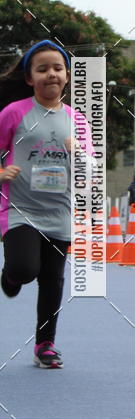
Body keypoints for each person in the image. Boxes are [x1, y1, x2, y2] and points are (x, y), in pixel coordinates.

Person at [0, 40, 93, 368]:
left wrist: (77, 152)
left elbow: (90, 170)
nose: (51, 74)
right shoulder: (14, 113)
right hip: (19, 209)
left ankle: (45, 344)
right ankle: (10, 276)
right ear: (30, 78)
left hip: (59, 213)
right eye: (42, 69)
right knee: (25, 269)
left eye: (57, 68)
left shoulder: (78, 121)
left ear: (67, 75)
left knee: (52, 280)